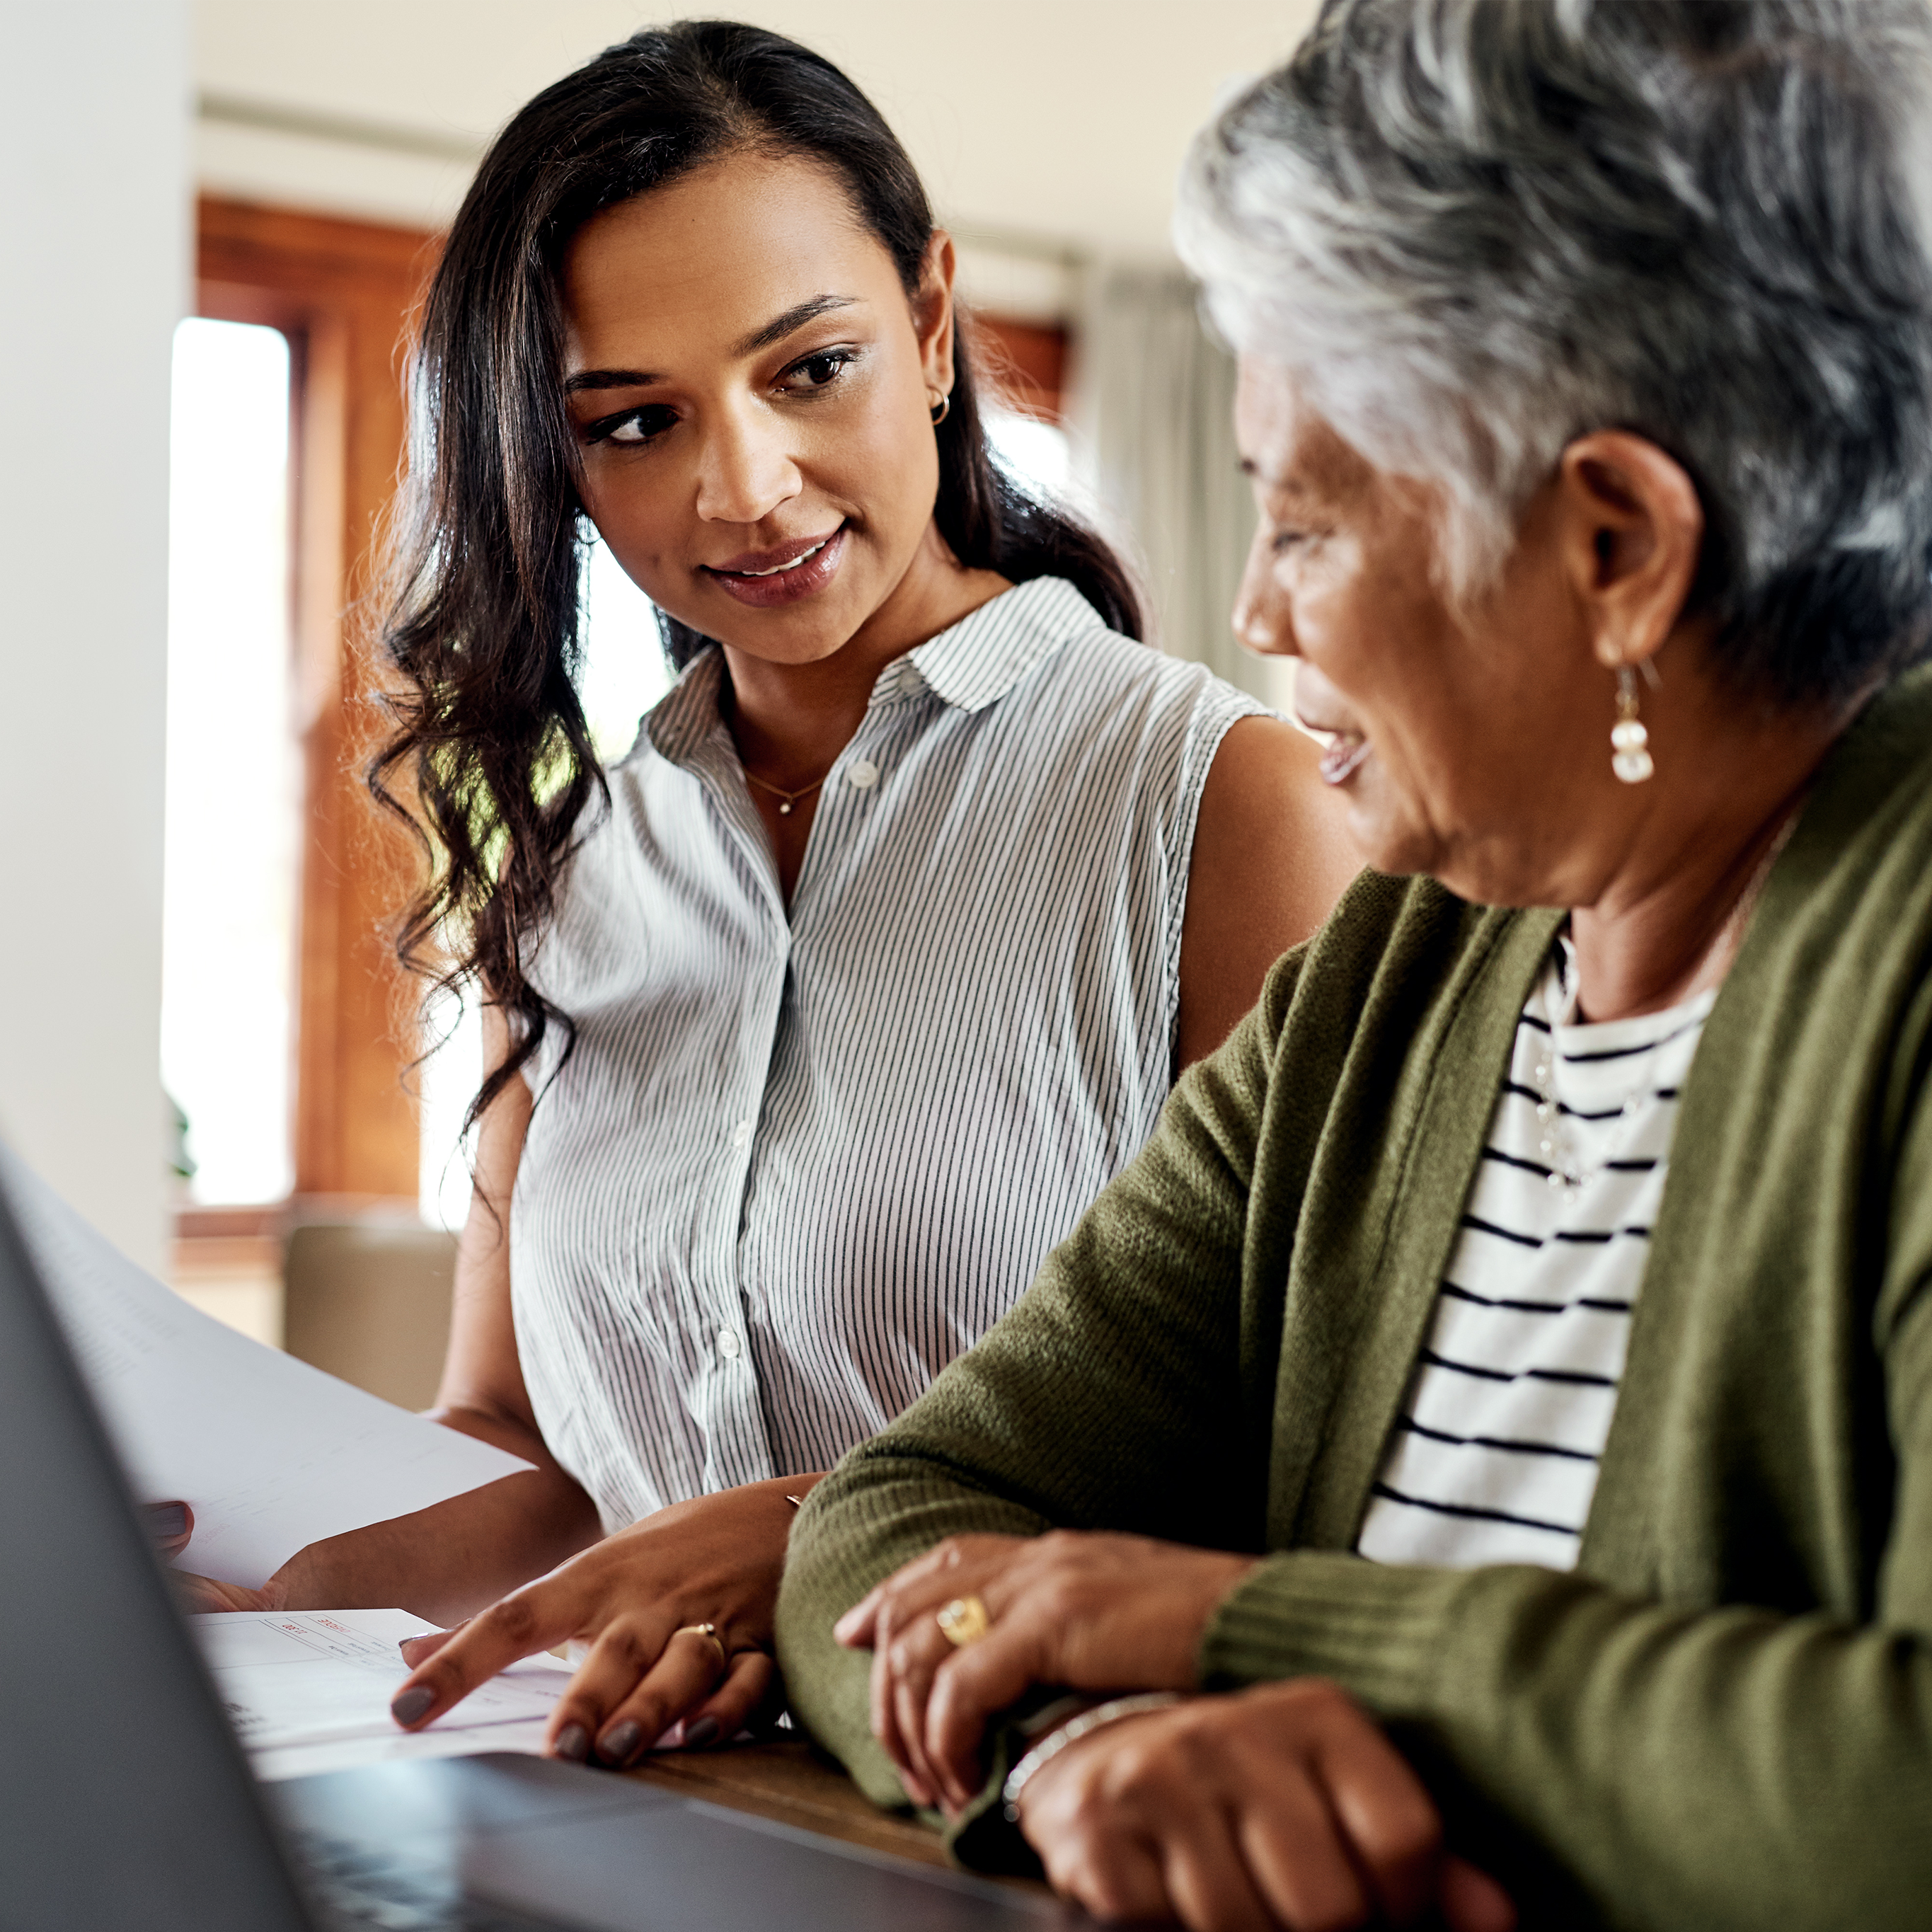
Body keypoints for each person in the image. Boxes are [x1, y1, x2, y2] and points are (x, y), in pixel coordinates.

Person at [774, 1, 1932, 1926]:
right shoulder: (1408, 960)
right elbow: (895, 1523)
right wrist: (1071, 1750)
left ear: (1619, 543)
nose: (1244, 607)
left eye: (1304, 519)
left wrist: (1256, 1634)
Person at [178, 19, 1355, 1771]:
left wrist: (820, 1542)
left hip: (1042, 1806)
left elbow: (1313, 1451)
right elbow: (525, 1447)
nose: (742, 487)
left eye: (810, 370)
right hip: (658, 1814)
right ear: (558, 462)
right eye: (637, 420)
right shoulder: (568, 878)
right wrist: (280, 1602)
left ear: (935, 325)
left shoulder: (1217, 805)